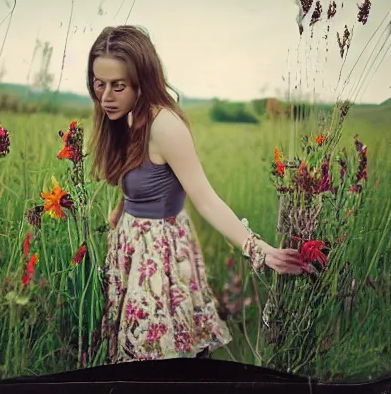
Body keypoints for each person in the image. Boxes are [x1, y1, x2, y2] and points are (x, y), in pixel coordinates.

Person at [86, 25, 305, 364]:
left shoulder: (164, 126)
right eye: (100, 84)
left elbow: (205, 198)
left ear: (142, 81)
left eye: (118, 86)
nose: (105, 97)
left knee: (157, 360)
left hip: (158, 256)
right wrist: (122, 208)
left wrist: (258, 248)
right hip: (130, 244)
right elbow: (141, 175)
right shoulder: (124, 116)